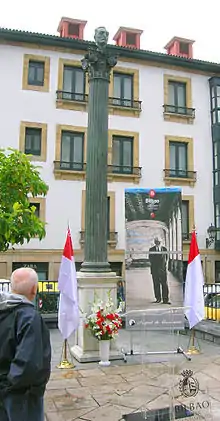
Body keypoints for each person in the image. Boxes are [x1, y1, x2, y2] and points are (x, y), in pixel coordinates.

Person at [0, 267, 51, 421]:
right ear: (34, 289)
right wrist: (9, 387)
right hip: (20, 395)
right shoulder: (30, 317)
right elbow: (29, 363)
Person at [149, 237, 170, 304]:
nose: (158, 242)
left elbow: (166, 259)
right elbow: (151, 260)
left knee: (165, 285)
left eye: (159, 241)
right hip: (155, 270)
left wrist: (164, 267)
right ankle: (158, 299)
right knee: (156, 285)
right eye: (157, 241)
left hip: (163, 270)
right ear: (155, 242)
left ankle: (165, 300)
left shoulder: (164, 249)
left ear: (161, 242)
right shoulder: (151, 249)